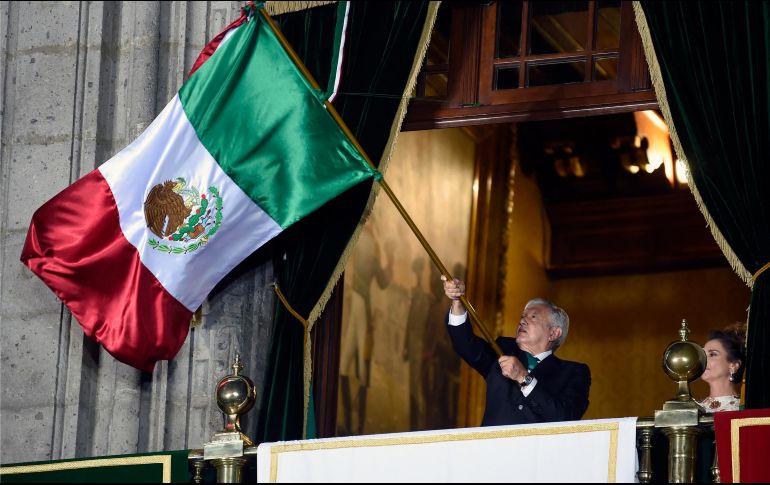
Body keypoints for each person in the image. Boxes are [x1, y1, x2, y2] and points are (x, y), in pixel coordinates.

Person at [441, 276, 590, 426]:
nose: (522, 321)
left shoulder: (574, 372)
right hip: (491, 447)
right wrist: (457, 301)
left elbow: (566, 418)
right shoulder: (503, 349)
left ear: (553, 333)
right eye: (522, 317)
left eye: (533, 317)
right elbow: (466, 345)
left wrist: (524, 378)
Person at [698, 323, 746, 413]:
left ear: (734, 365)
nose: (704, 359)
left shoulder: (744, 409)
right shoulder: (695, 410)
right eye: (703, 355)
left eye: (712, 354)